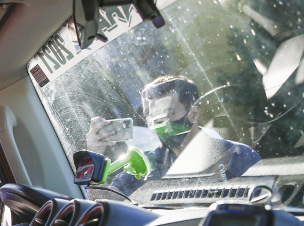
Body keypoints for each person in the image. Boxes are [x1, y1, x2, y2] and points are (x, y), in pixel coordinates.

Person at [86, 75, 261, 195]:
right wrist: (94, 155)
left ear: (193, 114)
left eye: (168, 115)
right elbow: (102, 202)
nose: (158, 126)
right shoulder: (147, 164)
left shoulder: (238, 156)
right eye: (152, 117)